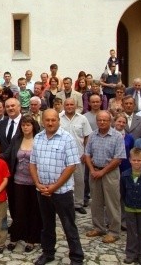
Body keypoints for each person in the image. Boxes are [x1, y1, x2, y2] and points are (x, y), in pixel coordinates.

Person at [29, 109, 83, 265]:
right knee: (47, 225)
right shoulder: (38, 138)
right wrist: (38, 184)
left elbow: (71, 166)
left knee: (69, 225)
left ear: (58, 121)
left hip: (62, 192)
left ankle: (77, 257)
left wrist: (54, 186)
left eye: (53, 120)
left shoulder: (67, 139)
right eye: (47, 120)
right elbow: (33, 163)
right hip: (42, 191)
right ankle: (48, 253)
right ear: (43, 121)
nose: (50, 123)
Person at [85, 111, 126, 244]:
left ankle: (114, 231)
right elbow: (87, 154)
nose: (102, 122)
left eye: (105, 120)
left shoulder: (117, 136)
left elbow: (118, 158)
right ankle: (99, 227)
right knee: (96, 202)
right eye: (99, 120)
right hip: (94, 171)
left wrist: (102, 172)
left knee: (112, 202)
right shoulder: (92, 135)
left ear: (110, 121)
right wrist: (92, 170)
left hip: (110, 173)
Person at [3, 115, 42, 253]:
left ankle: (31, 239)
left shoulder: (39, 140)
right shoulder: (17, 139)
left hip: (34, 182)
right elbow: (7, 154)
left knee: (33, 211)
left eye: (28, 124)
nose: (25, 127)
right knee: (18, 211)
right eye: (23, 125)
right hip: (18, 181)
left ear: (33, 126)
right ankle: (15, 236)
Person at [120, 147, 141, 265]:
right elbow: (123, 192)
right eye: (134, 160)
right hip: (129, 208)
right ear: (130, 160)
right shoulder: (124, 176)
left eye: (139, 160)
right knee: (131, 233)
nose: (136, 162)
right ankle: (131, 254)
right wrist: (127, 202)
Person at [59, 98, 92, 214]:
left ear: (76, 105)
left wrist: (85, 152)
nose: (69, 106)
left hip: (78, 155)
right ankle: (62, 203)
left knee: (79, 180)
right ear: (64, 105)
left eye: (71, 104)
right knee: (62, 179)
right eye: (67, 104)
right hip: (61, 155)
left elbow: (88, 136)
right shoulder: (58, 118)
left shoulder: (83, 119)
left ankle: (78, 203)